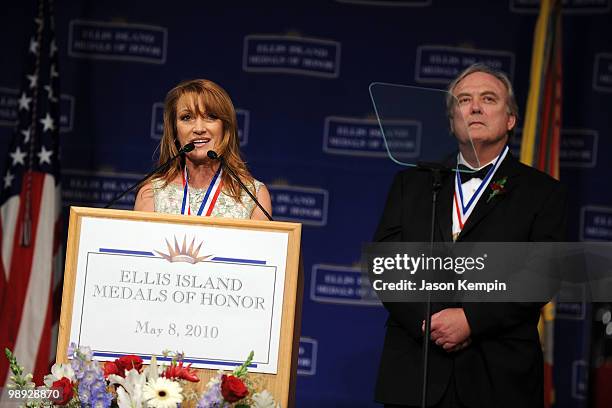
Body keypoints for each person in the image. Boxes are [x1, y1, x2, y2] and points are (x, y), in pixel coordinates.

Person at [373, 64, 566, 407]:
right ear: (452, 121)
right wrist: (427, 320)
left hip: (498, 379)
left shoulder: (542, 192)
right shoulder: (413, 183)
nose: (475, 107)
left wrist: (471, 320)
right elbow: (386, 265)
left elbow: (542, 275)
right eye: (464, 100)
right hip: (416, 373)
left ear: (510, 119)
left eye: (488, 99)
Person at [134, 79, 272, 220]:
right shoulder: (150, 195)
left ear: (225, 128)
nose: (199, 129)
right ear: (174, 130)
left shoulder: (254, 197)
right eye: (187, 117)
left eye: (210, 117)